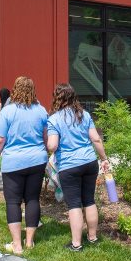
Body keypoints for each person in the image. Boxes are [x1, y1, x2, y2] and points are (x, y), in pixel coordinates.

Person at [46, 83, 109, 251]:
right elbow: (96, 139)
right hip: (89, 162)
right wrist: (104, 158)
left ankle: (76, 244)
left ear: (58, 98)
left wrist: (49, 147)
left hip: (69, 165)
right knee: (89, 200)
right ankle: (93, 237)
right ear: (74, 97)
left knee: (74, 204)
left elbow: (52, 145)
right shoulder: (84, 115)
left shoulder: (54, 119)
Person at [0, 76, 49, 255]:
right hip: (37, 160)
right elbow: (46, 138)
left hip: (13, 162)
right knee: (32, 199)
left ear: (15, 89)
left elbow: (0, 140)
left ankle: (17, 245)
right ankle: (29, 241)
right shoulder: (41, 110)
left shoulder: (7, 111)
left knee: (13, 202)